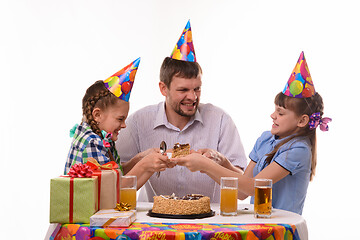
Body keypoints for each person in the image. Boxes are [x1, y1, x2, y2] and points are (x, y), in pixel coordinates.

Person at [175, 52, 332, 214]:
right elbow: (242, 192)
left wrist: (206, 166)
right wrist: (220, 162)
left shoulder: (299, 150)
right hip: (259, 223)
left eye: (281, 113)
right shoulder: (266, 139)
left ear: (302, 121)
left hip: (282, 228)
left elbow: (253, 187)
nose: (273, 115)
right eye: (275, 110)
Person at [115, 20, 247, 202]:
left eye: (197, 89)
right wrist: (142, 160)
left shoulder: (220, 120)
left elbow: (242, 193)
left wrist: (215, 163)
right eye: (183, 90)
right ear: (163, 88)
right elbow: (114, 183)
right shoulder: (138, 121)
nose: (192, 97)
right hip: (153, 222)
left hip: (208, 224)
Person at [64, 58, 170, 189]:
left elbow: (115, 175)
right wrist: (146, 165)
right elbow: (113, 193)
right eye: (120, 119)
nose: (124, 125)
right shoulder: (91, 143)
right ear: (97, 115)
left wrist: (140, 158)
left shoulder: (102, 138)